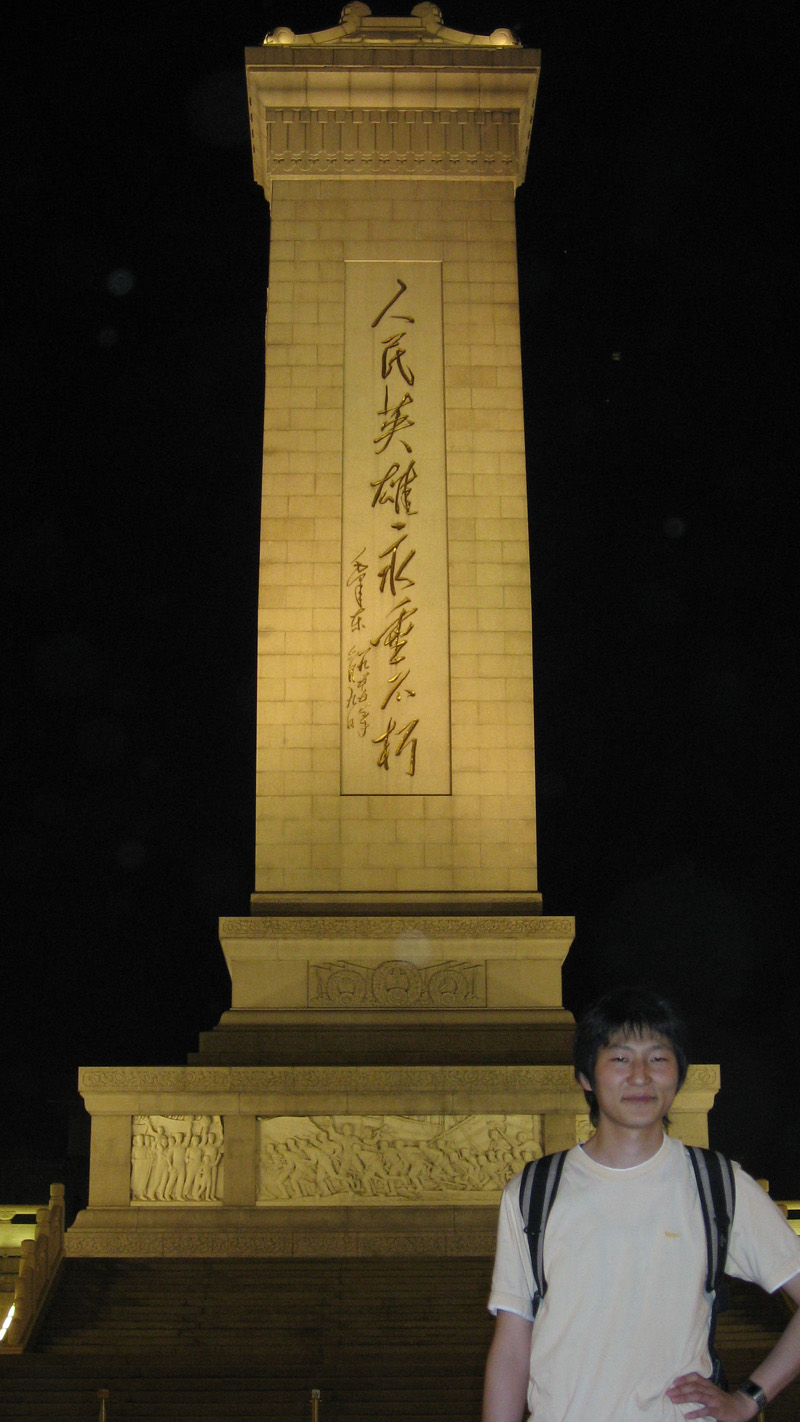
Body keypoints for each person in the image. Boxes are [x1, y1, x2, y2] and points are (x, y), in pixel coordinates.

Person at [482, 987, 800, 1421]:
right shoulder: (533, 1191)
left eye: (657, 1058)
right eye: (619, 1058)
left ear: (678, 1075)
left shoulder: (718, 1185)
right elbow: (512, 1347)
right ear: (586, 1078)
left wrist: (749, 1399)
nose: (640, 1076)